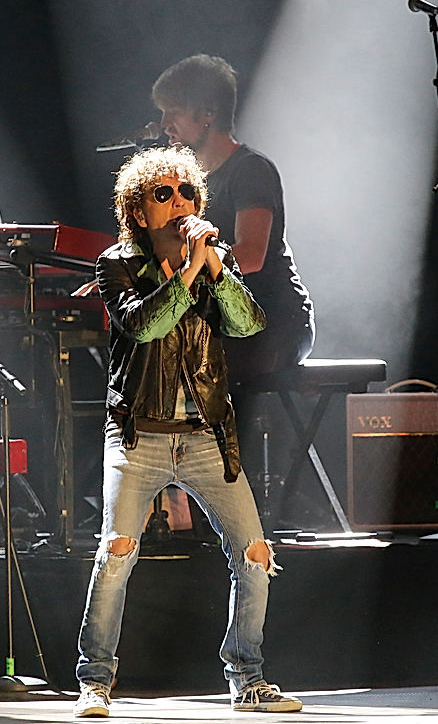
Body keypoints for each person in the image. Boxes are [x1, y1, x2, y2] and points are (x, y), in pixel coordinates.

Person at [73, 146, 302, 717]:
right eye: (164, 195)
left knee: (254, 554)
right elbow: (146, 324)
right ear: (138, 209)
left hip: (205, 435)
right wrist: (191, 271)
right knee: (118, 552)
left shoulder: (213, 263)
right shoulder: (117, 264)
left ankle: (247, 679)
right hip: (139, 435)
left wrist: (216, 270)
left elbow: (249, 323)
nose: (179, 204)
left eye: (188, 194)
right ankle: (95, 681)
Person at [151, 54, 314, 384]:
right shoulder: (187, 181)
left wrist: (175, 272)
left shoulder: (251, 170)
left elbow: (251, 256)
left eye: (174, 112)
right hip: (223, 320)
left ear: (208, 113)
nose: (164, 123)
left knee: (177, 363)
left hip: (274, 323)